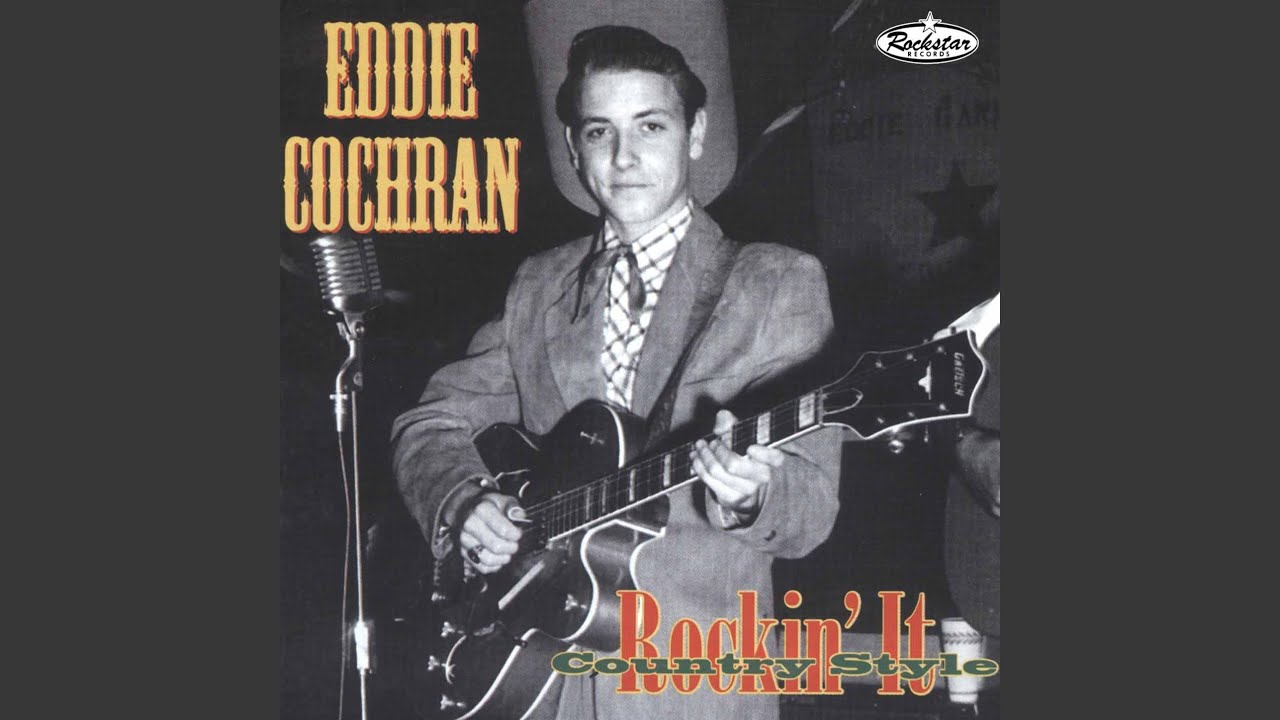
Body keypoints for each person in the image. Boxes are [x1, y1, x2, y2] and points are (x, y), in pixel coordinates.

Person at [391, 25, 845, 719]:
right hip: (537, 679)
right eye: (600, 131)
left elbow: (810, 512)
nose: (624, 156)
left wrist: (751, 496)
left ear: (696, 133)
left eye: (651, 126)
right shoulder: (537, 284)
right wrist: (464, 501)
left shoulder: (776, 282)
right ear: (574, 149)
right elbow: (430, 422)